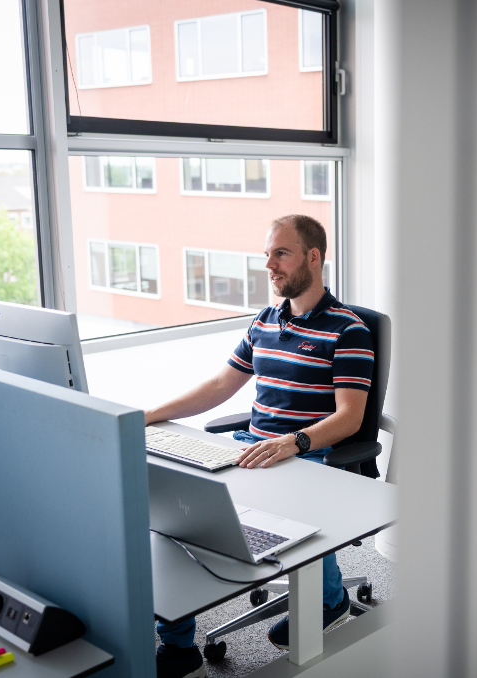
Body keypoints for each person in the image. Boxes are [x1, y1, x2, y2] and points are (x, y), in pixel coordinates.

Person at [146, 214, 374, 678]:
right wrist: (147, 415)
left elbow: (351, 416)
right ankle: (177, 644)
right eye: (267, 254)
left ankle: (329, 599)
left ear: (314, 257)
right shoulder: (265, 321)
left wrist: (295, 442)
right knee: (176, 510)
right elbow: (218, 386)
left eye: (281, 253)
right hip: (252, 444)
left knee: (285, 510)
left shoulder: (349, 330)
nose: (269, 265)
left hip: (309, 452)